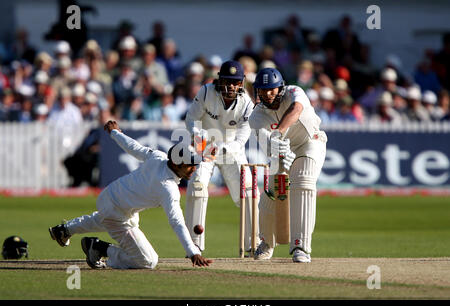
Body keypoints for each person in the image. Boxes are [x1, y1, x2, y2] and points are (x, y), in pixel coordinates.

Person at [49, 120, 212, 269]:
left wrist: (115, 133)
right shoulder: (167, 187)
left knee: (106, 219)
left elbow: (134, 148)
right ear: (176, 163)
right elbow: (176, 221)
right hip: (117, 212)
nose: (194, 168)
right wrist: (192, 252)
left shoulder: (158, 156)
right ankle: (99, 248)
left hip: (111, 198)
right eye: (190, 165)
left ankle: (64, 230)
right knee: (148, 261)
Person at [249, 68, 327, 263]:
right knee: (270, 193)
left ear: (280, 87)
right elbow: (267, 145)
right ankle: (266, 242)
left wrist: (279, 132)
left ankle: (301, 246)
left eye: (272, 89)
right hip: (281, 151)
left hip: (310, 143)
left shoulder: (294, 91)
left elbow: (296, 110)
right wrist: (278, 151)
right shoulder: (256, 116)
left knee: (303, 182)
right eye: (263, 90)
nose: (267, 94)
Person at [184, 60, 257, 254]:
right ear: (220, 80)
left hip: (232, 149)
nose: (231, 86)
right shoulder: (206, 92)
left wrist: (226, 148)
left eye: (235, 82)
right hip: (206, 147)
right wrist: (196, 134)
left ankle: (253, 244)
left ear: (241, 83)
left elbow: (243, 136)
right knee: (198, 185)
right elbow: (191, 119)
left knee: (248, 190)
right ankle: (195, 244)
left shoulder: (246, 103)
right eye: (227, 81)